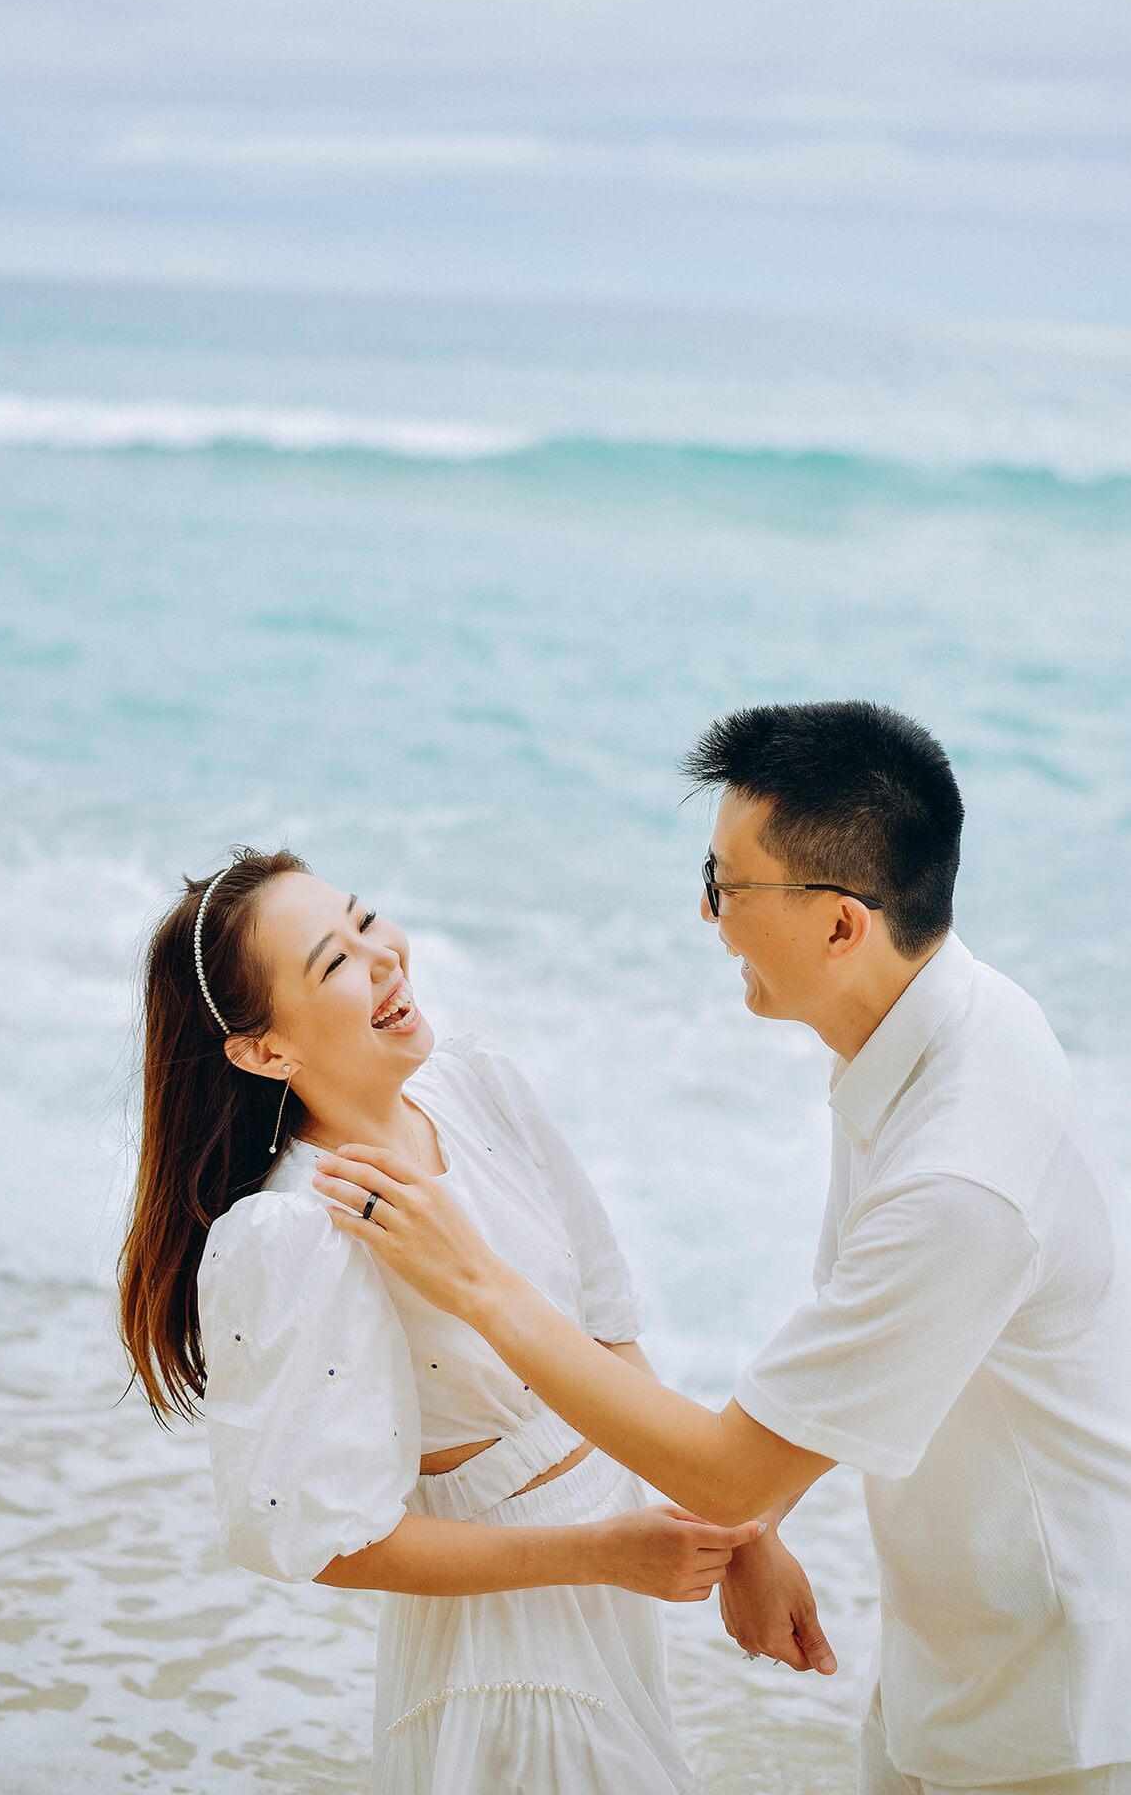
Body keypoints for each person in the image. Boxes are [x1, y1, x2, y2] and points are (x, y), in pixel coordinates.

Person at [314, 701, 1131, 1795]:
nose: (705, 915)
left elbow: (728, 1463)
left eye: (723, 886)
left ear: (840, 924)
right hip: (965, 1646)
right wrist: (754, 1528)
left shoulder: (955, 1174)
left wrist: (473, 1281)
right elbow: (829, 1387)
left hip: (1057, 1695)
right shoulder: (934, 1021)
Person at [118, 846, 764, 1795]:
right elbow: (327, 1541)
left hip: (621, 1587)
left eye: (365, 920)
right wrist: (597, 1555)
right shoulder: (297, 1231)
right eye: (333, 964)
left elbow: (605, 1327)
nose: (382, 958)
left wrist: (746, 1535)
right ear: (264, 1051)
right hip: (506, 1654)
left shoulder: (472, 1088)